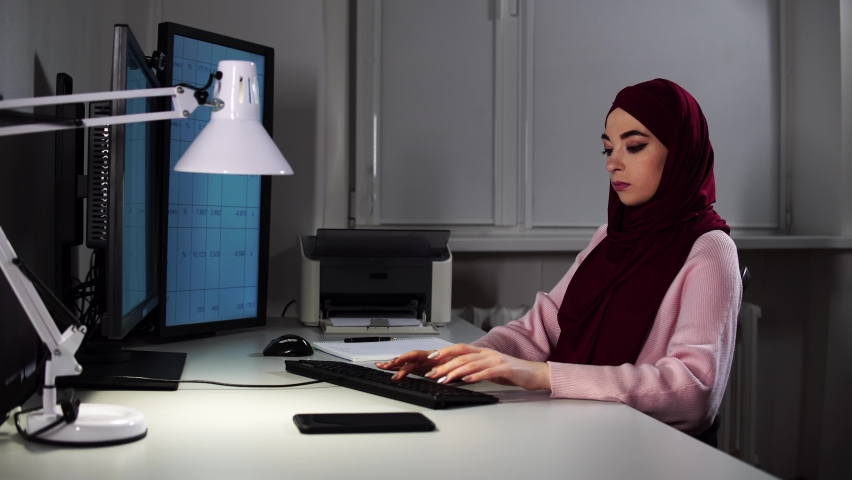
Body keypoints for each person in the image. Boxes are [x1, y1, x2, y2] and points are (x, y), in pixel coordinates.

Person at [377, 79, 742, 436]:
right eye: (607, 149)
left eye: (633, 147)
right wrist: (460, 361)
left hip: (644, 448)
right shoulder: (611, 235)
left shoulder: (709, 248)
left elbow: (694, 391)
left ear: (680, 152)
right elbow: (542, 328)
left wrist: (542, 374)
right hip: (578, 428)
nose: (612, 164)